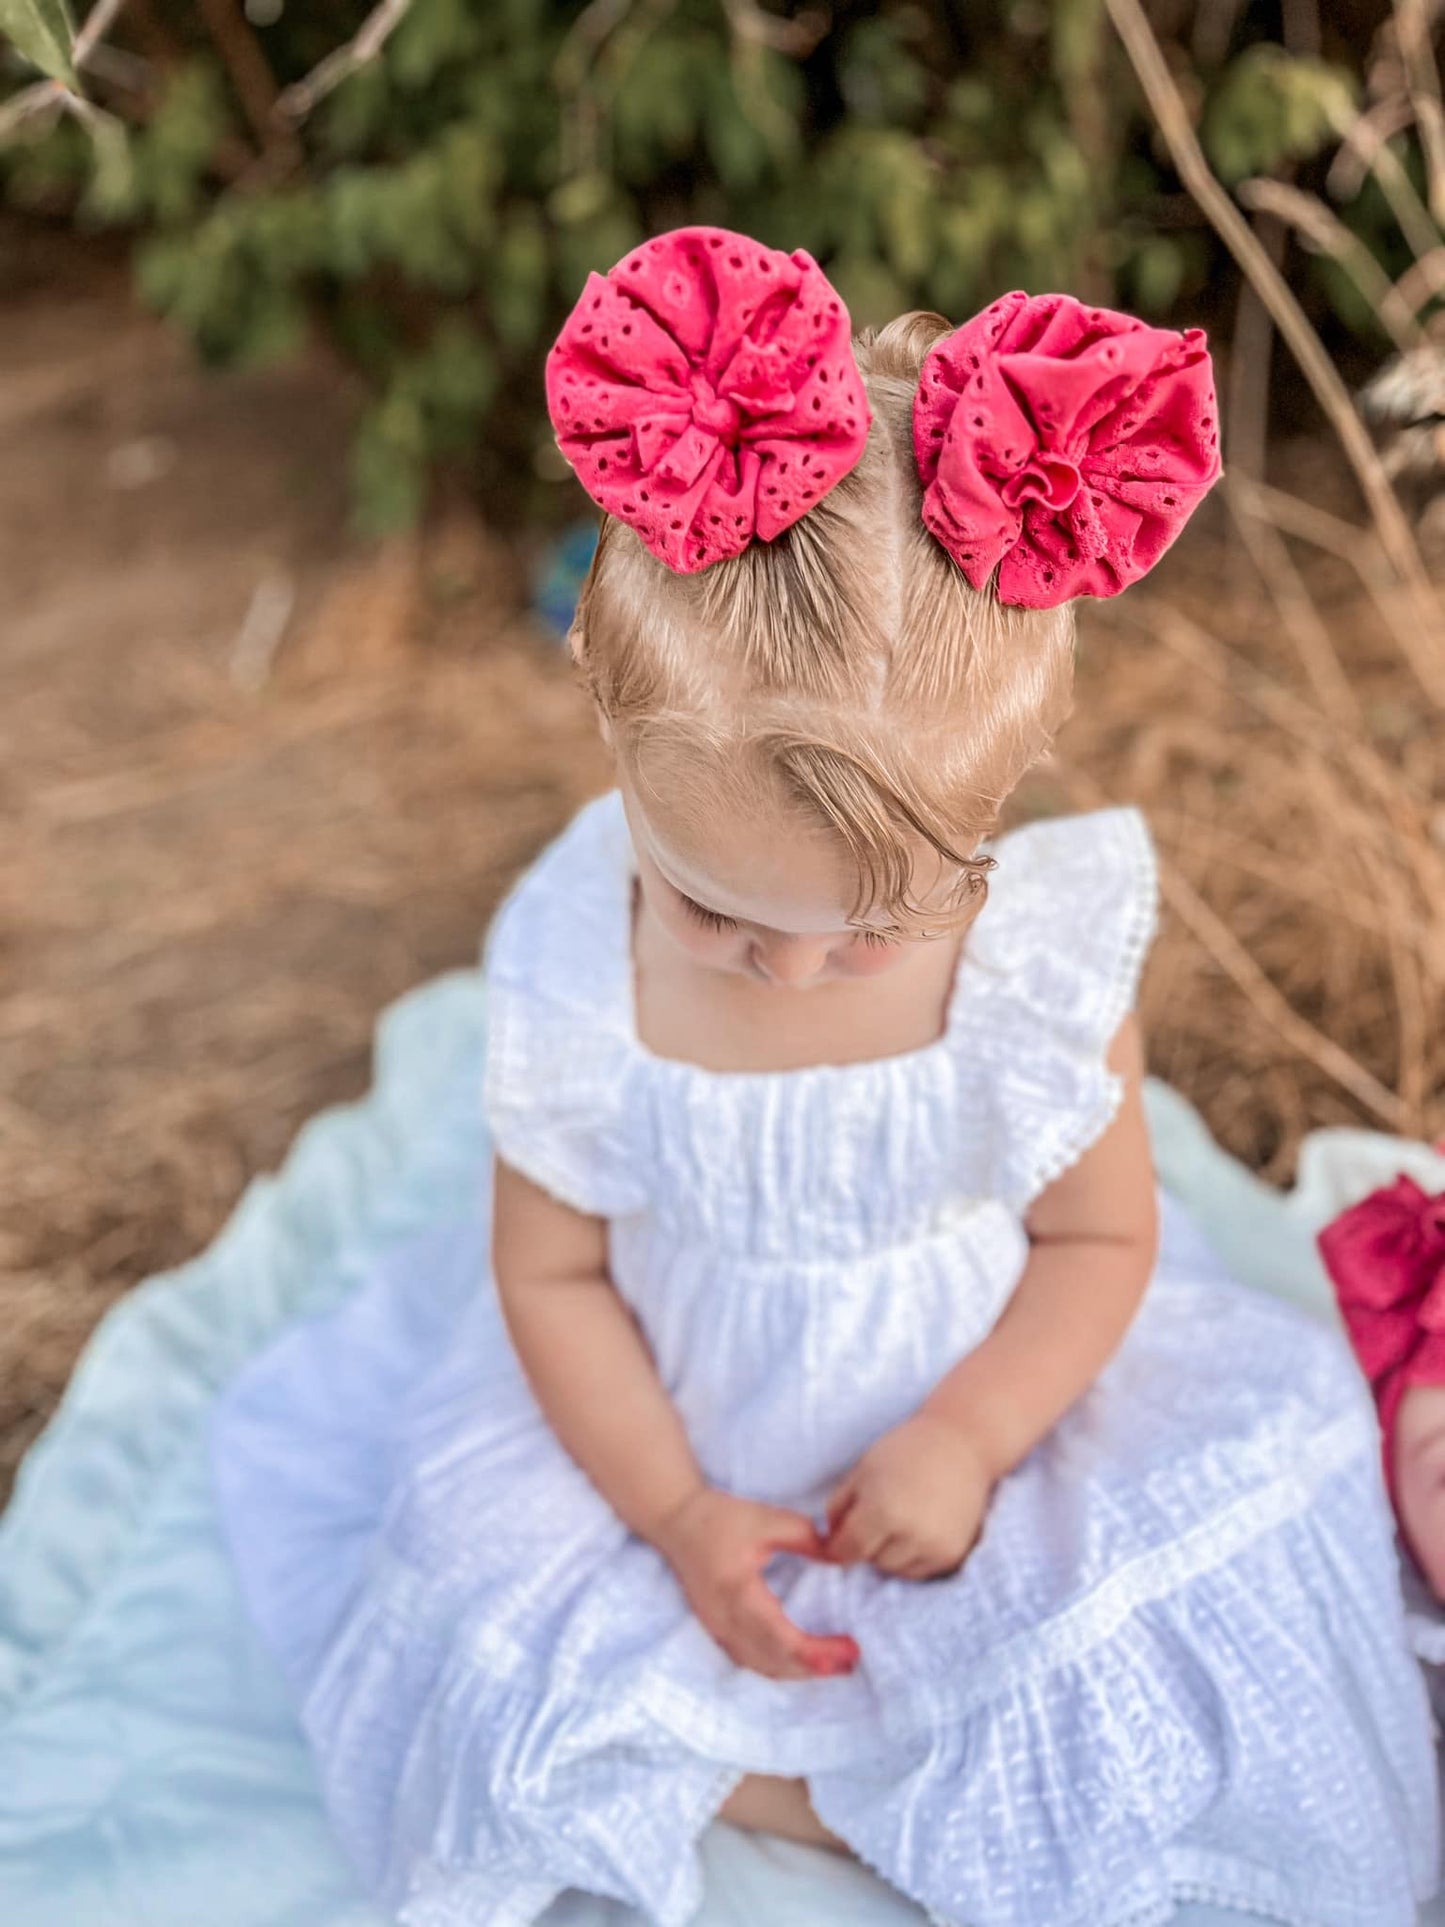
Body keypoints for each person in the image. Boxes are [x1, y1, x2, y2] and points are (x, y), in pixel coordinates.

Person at [211, 225, 1439, 1927]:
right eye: (712, 911)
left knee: (1256, 1486)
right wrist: (676, 1513)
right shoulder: (575, 958)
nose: (785, 969)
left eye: (867, 934)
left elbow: (1096, 1242)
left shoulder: (1032, 966)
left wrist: (968, 1435)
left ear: (987, 832)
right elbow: (551, 1276)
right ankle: (813, 1765)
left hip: (981, 1409)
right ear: (613, 744)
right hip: (670, 1419)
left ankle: (840, 1760)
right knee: (456, 1580)